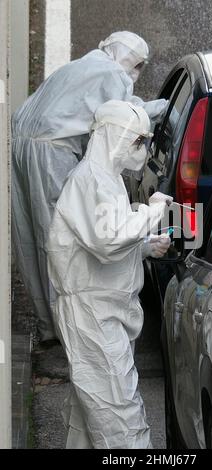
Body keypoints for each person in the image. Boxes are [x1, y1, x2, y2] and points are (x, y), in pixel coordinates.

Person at [12, 31, 168, 343]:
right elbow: (121, 115)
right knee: (58, 234)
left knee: (28, 234)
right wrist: (161, 109)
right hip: (51, 151)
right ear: (127, 58)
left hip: (18, 145)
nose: (135, 73)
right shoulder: (112, 73)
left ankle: (47, 324)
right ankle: (64, 326)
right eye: (137, 65)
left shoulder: (80, 65)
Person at [47, 100, 173, 449]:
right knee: (120, 415)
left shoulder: (107, 179)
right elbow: (109, 239)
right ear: (112, 138)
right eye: (136, 141)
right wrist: (153, 211)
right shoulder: (91, 181)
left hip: (105, 311)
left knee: (93, 415)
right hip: (92, 314)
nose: (142, 150)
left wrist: (145, 247)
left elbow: (102, 242)